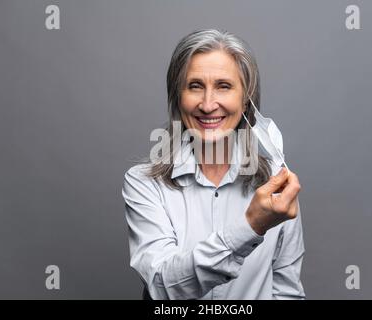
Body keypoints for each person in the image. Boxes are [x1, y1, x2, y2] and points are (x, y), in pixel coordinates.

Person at [122, 29, 305, 300]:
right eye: (195, 86)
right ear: (177, 96)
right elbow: (162, 287)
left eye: (224, 86)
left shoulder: (278, 188)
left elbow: (286, 292)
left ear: (246, 98)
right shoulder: (144, 184)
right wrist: (250, 226)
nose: (208, 105)